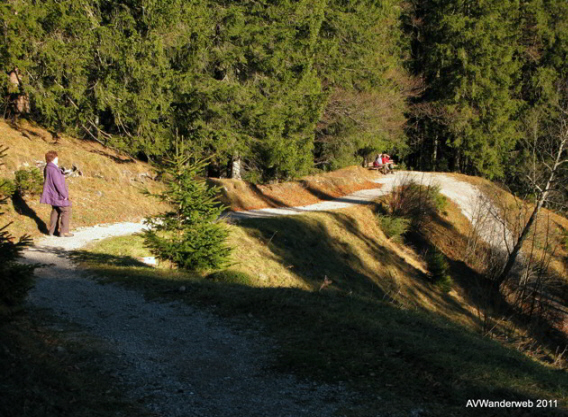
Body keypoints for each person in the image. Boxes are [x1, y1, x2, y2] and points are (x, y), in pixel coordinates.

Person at [40, 150, 73, 237]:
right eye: (57, 157)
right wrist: (64, 195)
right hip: (57, 194)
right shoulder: (53, 169)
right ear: (54, 158)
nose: (58, 159)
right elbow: (58, 184)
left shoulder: (47, 168)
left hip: (52, 194)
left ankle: (52, 231)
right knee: (66, 210)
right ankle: (64, 231)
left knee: (56, 210)